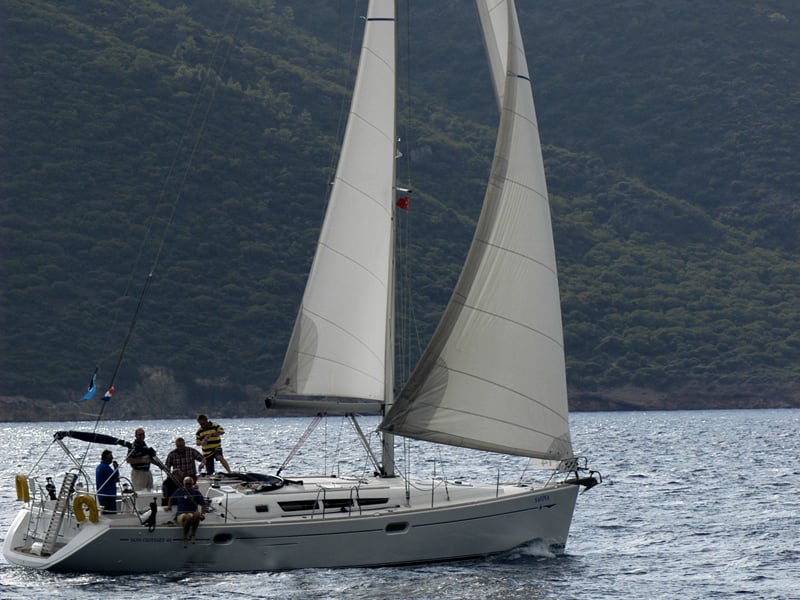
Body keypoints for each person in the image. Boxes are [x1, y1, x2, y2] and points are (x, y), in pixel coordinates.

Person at [164, 476, 206, 546]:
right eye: (186, 484)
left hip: (191, 513)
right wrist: (169, 507)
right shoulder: (179, 491)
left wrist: (203, 514)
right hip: (181, 515)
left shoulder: (196, 492)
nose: (188, 485)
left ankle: (193, 534)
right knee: (188, 517)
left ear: (192, 484)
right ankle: (185, 538)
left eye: (190, 484)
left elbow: (203, 504)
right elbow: (171, 498)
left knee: (197, 514)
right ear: (184, 484)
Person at [95, 449, 119, 514]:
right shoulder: (106, 468)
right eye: (110, 456)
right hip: (108, 495)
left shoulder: (99, 467)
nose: (112, 458)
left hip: (101, 494)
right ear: (105, 457)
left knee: (105, 513)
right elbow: (116, 477)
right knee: (111, 514)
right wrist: (116, 468)